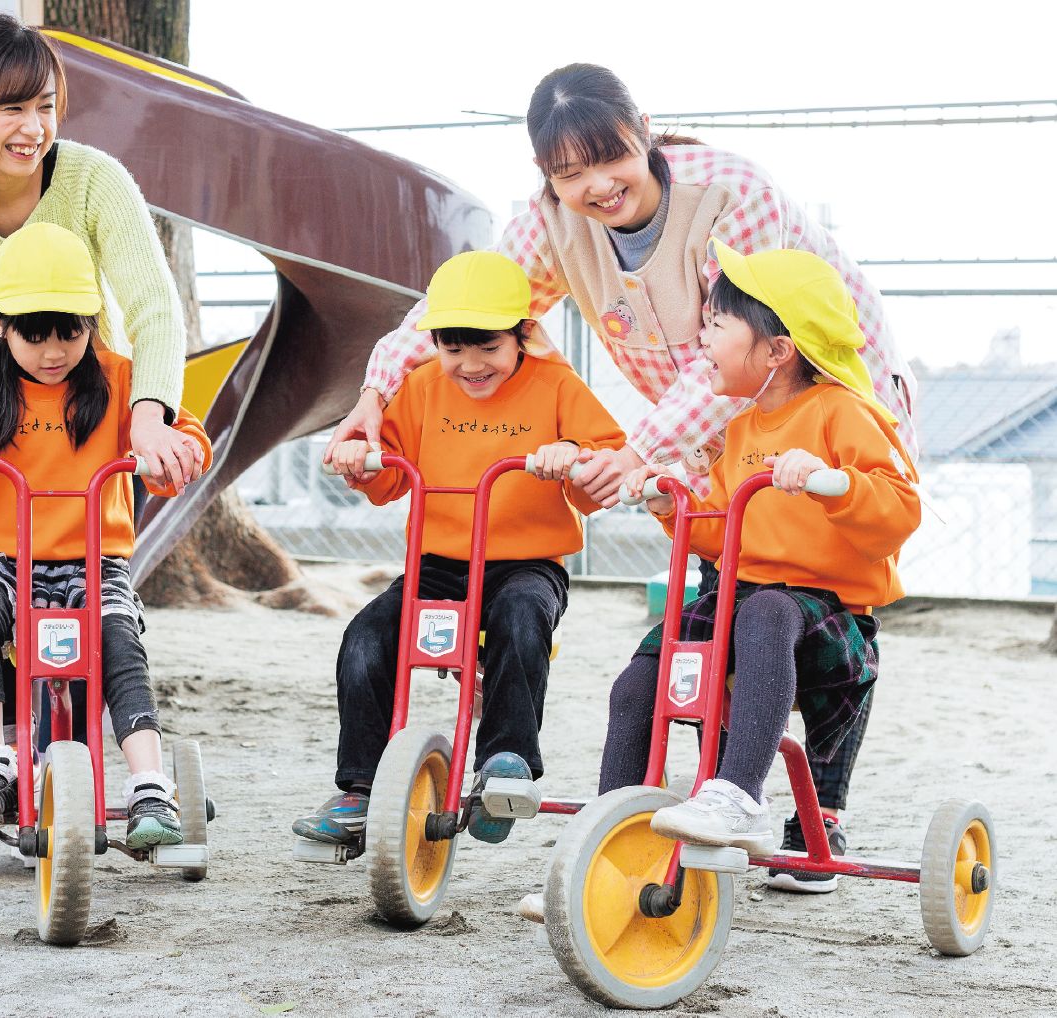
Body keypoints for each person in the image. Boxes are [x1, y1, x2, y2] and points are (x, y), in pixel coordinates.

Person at [326, 64, 917, 885]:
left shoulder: (729, 194)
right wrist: (375, 390)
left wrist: (637, 454)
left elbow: (753, 340)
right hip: (715, 419)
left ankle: (817, 809)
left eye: (611, 161)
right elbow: (464, 307)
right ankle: (647, 821)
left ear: (644, 130)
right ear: (547, 176)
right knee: (725, 594)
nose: (597, 187)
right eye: (569, 174)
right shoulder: (549, 224)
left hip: (814, 388)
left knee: (811, 586)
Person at [0, 222, 211, 850]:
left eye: (71, 329)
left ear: (92, 322)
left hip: (93, 561)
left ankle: (148, 780)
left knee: (118, 633)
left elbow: (186, 439)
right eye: (33, 333)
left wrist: (175, 449)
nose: (53, 349)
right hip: (2, 557)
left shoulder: (121, 383)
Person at [294, 251, 627, 848]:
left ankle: (505, 763)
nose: (471, 365)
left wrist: (572, 457)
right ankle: (359, 789)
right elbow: (388, 474)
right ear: (435, 346)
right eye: (453, 348)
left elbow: (606, 467)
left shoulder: (557, 386)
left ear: (523, 335)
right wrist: (359, 463)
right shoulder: (421, 388)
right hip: (439, 563)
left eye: (488, 348)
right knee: (366, 639)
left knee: (520, 619)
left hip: (527, 563)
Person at [602, 241, 920, 863]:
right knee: (639, 681)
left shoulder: (843, 413)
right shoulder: (741, 428)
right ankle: (610, 838)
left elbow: (898, 511)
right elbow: (723, 536)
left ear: (778, 351)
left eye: (718, 325)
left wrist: (834, 482)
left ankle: (740, 794)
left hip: (824, 615)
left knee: (767, 611)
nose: (704, 340)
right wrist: (675, 509)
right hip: (741, 601)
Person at [0, 12, 197, 496]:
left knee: (99, 572)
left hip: (97, 431)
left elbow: (154, 307)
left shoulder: (94, 179)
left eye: (45, 107)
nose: (34, 128)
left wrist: (148, 415)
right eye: (11, 109)